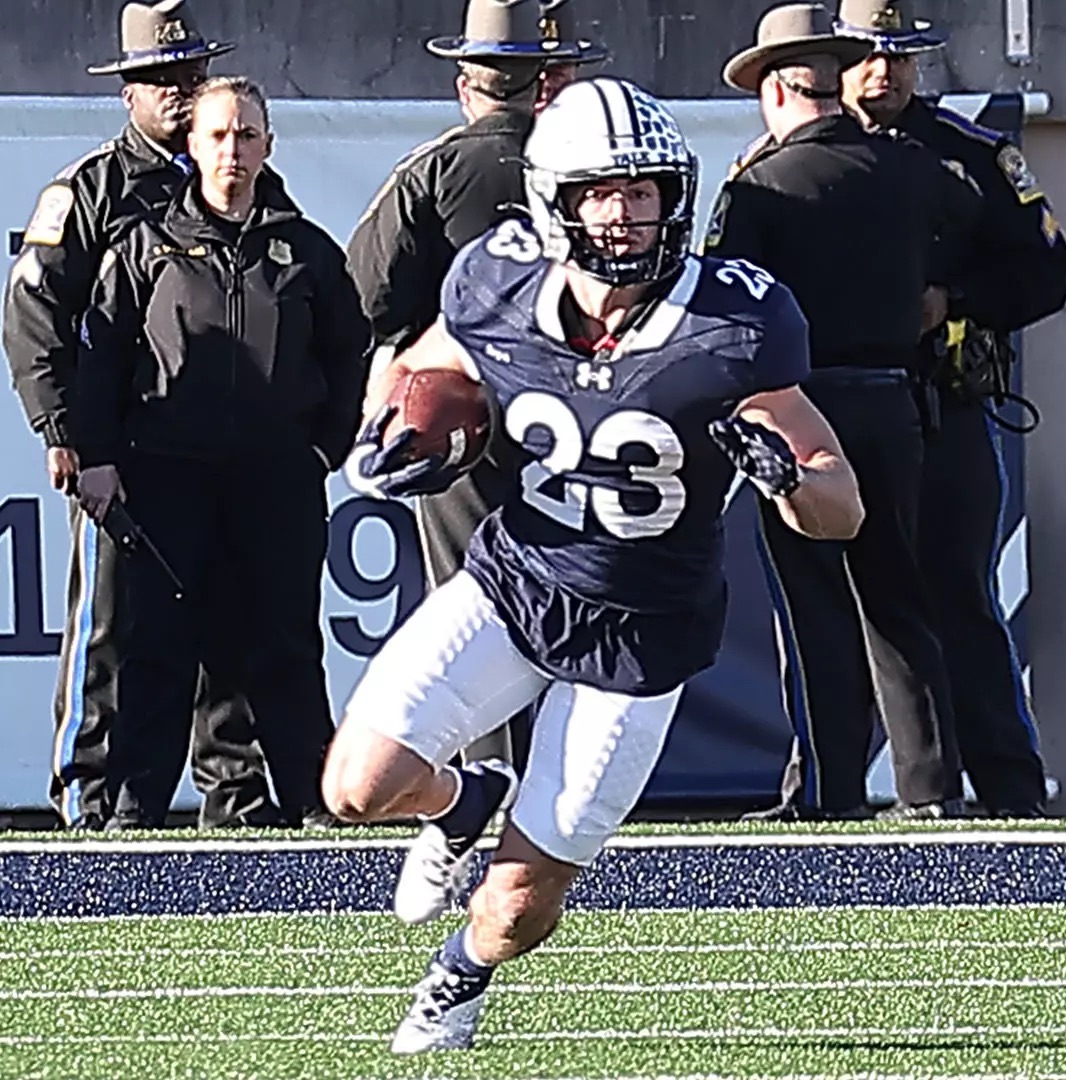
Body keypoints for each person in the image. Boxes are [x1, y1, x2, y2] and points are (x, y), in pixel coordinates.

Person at [320, 76, 863, 1053]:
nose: (627, 216)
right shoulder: (498, 279)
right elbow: (441, 361)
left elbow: (841, 506)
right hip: (517, 581)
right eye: (602, 193)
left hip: (641, 637)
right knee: (355, 788)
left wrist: (786, 478)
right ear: (551, 202)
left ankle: (462, 972)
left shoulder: (733, 325)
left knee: (519, 908)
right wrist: (412, 426)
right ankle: (464, 800)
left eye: (645, 192)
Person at [3, 0, 277, 829]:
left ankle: (233, 795)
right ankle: (93, 796)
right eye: (161, 79)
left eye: (191, 75)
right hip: (121, 449)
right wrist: (64, 434)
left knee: (230, 625)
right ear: (128, 94)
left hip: (221, 455)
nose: (181, 93)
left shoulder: (242, 181)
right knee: (115, 631)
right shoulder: (92, 191)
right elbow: (33, 318)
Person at [68, 77, 369, 829]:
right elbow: (100, 359)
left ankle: (311, 798)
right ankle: (135, 807)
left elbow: (352, 358)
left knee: (284, 645)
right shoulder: (143, 247)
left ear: (269, 146)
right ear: (192, 145)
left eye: (247, 135)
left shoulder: (307, 253)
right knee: (157, 648)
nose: (232, 150)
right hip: (167, 476)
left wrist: (320, 452)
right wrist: (98, 455)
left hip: (276, 483)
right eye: (218, 135)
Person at [707, 2, 978, 820]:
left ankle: (826, 789)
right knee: (899, 600)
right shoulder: (909, 168)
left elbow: (730, 301)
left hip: (798, 409)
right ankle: (930, 786)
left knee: (816, 605)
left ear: (781, 89)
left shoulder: (761, 185)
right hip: (894, 402)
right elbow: (968, 227)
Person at [347, 0, 607, 771]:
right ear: (544, 83)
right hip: (581, 415)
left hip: (464, 420)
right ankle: (564, 777)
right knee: (573, 592)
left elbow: (366, 293)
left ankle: (485, 776)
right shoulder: (587, 177)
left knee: (472, 604)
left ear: (466, 83)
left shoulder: (432, 172)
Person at [836, 0, 1066, 816]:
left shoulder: (968, 156)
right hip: (839, 416)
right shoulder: (809, 160)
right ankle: (833, 789)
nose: (884, 72)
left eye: (899, 56)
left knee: (961, 596)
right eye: (866, 55)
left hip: (943, 406)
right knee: (845, 606)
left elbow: (1048, 273)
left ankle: (1009, 784)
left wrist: (956, 297)